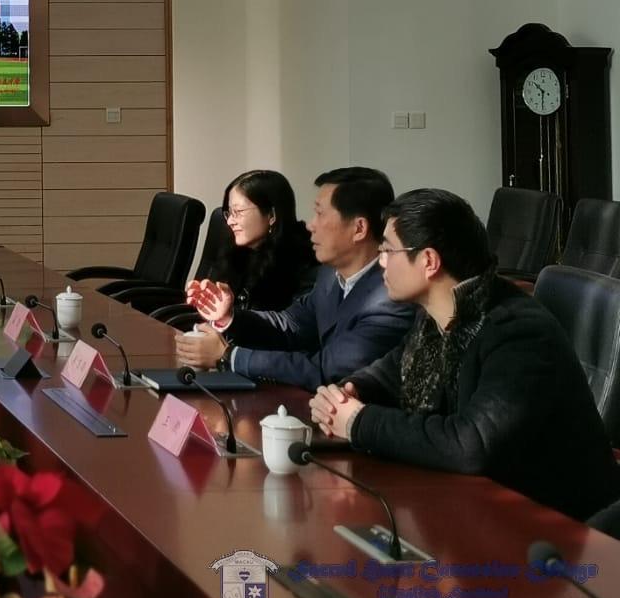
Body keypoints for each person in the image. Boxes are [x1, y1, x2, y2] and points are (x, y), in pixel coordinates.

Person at [311, 189, 620, 523]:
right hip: (480, 507)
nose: (380, 261)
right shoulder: (437, 315)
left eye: (387, 250)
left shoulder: (517, 332)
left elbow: (471, 445)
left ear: (429, 261)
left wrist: (359, 422)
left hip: (559, 527)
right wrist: (348, 393)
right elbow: (391, 372)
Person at [177, 167, 413, 390]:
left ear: (359, 228)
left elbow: (326, 369)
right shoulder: (330, 274)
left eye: (320, 214)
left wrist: (229, 356)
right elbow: (290, 325)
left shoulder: (391, 298)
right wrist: (229, 317)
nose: (311, 225)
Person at [201, 170, 317, 312]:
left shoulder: (301, 262)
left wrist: (231, 318)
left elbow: (291, 322)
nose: (230, 221)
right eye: (229, 213)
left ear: (271, 215)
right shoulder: (233, 253)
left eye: (238, 212)